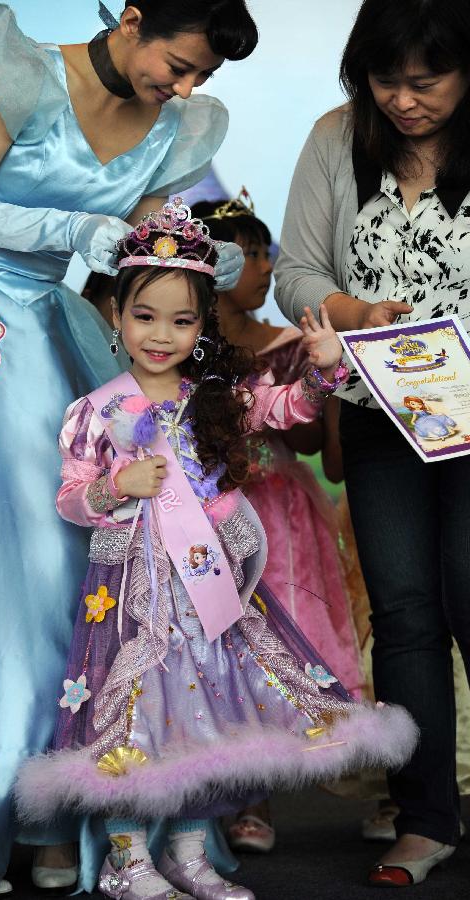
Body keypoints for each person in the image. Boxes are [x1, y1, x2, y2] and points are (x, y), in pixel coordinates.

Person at [0, 1, 257, 893]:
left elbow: (137, 252)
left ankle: (48, 820)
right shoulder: (27, 73)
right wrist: (67, 231)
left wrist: (203, 258)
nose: (181, 87)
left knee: (71, 570)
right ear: (132, 18)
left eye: (199, 77)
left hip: (50, 327)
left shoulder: (169, 125)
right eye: (178, 63)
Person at [15, 199, 417, 900]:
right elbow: (69, 497)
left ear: (203, 325)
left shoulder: (216, 396)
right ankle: (127, 860)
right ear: (115, 314)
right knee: (133, 718)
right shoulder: (96, 410)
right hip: (131, 602)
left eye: (181, 319)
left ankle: (191, 855)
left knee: (208, 717)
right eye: (144, 316)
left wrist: (323, 374)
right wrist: (116, 483)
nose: (161, 334)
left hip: (210, 593)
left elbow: (282, 409)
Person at [274, 0, 470, 885]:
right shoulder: (335, 138)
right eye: (384, 81)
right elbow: (296, 272)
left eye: (425, 82)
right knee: (403, 613)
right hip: (381, 408)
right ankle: (426, 818)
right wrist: (356, 314)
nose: (402, 101)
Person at [191, 194, 363, 853]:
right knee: (212, 649)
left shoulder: (288, 343)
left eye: (267, 251)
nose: (265, 265)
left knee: (273, 647)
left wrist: (320, 379)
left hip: (279, 516)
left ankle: (256, 799)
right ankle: (208, 795)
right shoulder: (180, 345)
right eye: (251, 252)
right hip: (201, 517)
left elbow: (311, 436)